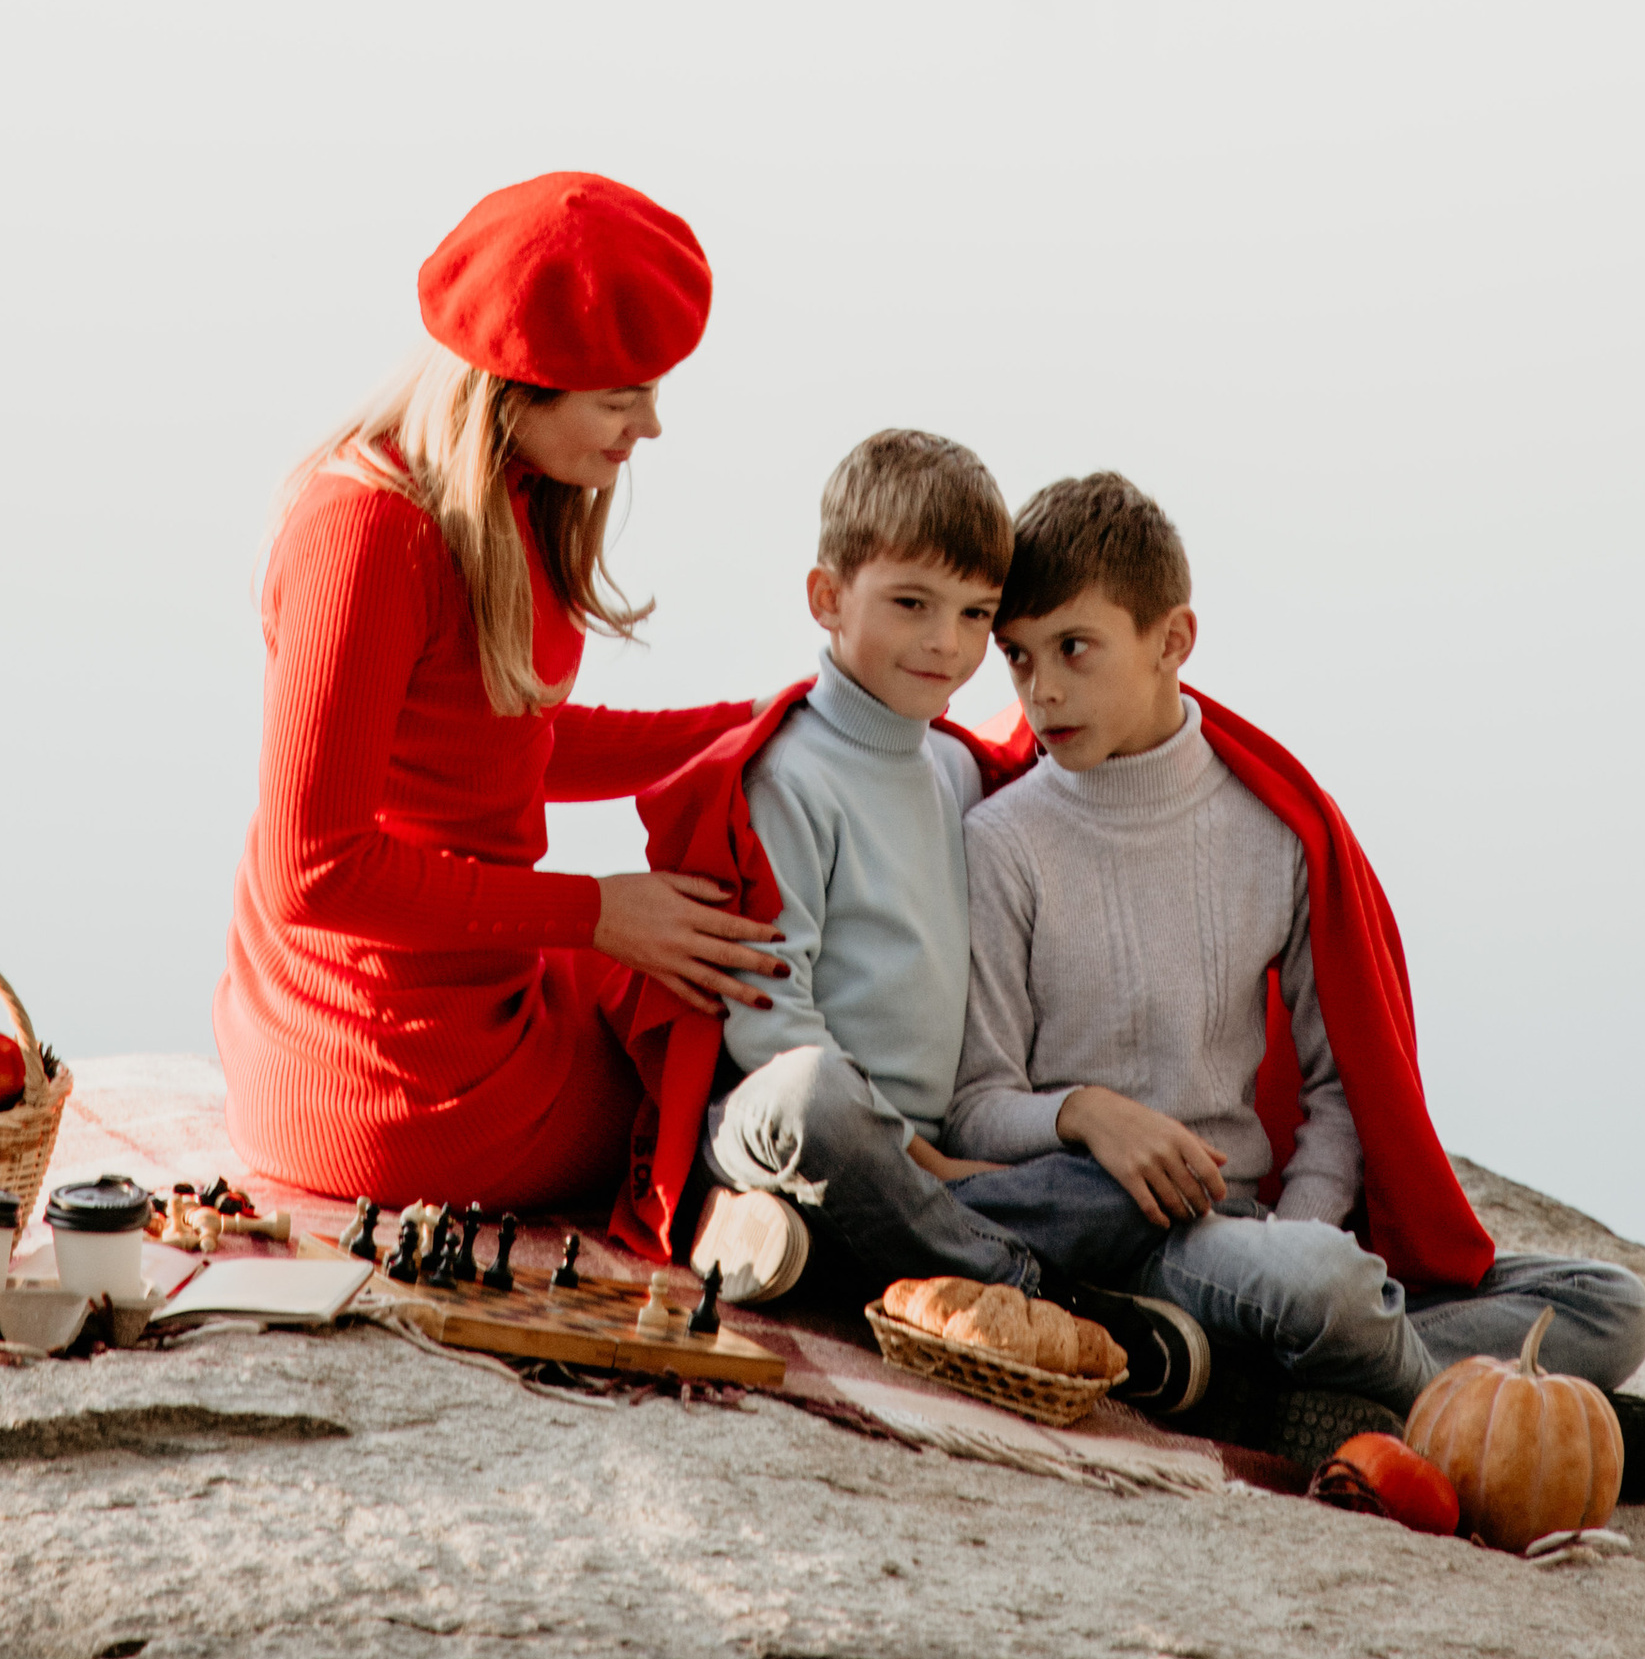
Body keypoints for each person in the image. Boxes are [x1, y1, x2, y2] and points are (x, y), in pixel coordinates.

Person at [948, 472, 1645, 1483]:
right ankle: (1484, 1422)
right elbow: (975, 1109)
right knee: (1326, 1291)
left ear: (1172, 640)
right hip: (1134, 1235)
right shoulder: (1003, 844)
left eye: (1074, 648)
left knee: (1609, 1305)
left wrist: (1301, 1230)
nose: (1040, 690)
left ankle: (1314, 1388)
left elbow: (1338, 1086)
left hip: (1265, 1233)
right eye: (1019, 656)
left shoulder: (1269, 833)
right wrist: (1085, 1114)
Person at [213, 170, 781, 1219]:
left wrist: (756, 729)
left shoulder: (508, 497)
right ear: (515, 391)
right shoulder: (366, 535)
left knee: (712, 967)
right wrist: (597, 914)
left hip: (456, 998)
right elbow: (315, 874)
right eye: (622, 399)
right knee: (719, 1045)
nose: (651, 426)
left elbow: (497, 746)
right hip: (387, 1077)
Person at [647, 430, 1046, 1307]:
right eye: (912, 603)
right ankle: (1018, 1278)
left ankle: (819, 1243)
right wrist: (917, 1156)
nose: (946, 642)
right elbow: (768, 1020)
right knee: (814, 1095)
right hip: (789, 1122)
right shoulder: (792, 775)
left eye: (976, 614)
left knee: (1102, 1180)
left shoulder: (956, 771)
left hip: (922, 1151)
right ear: (827, 598)